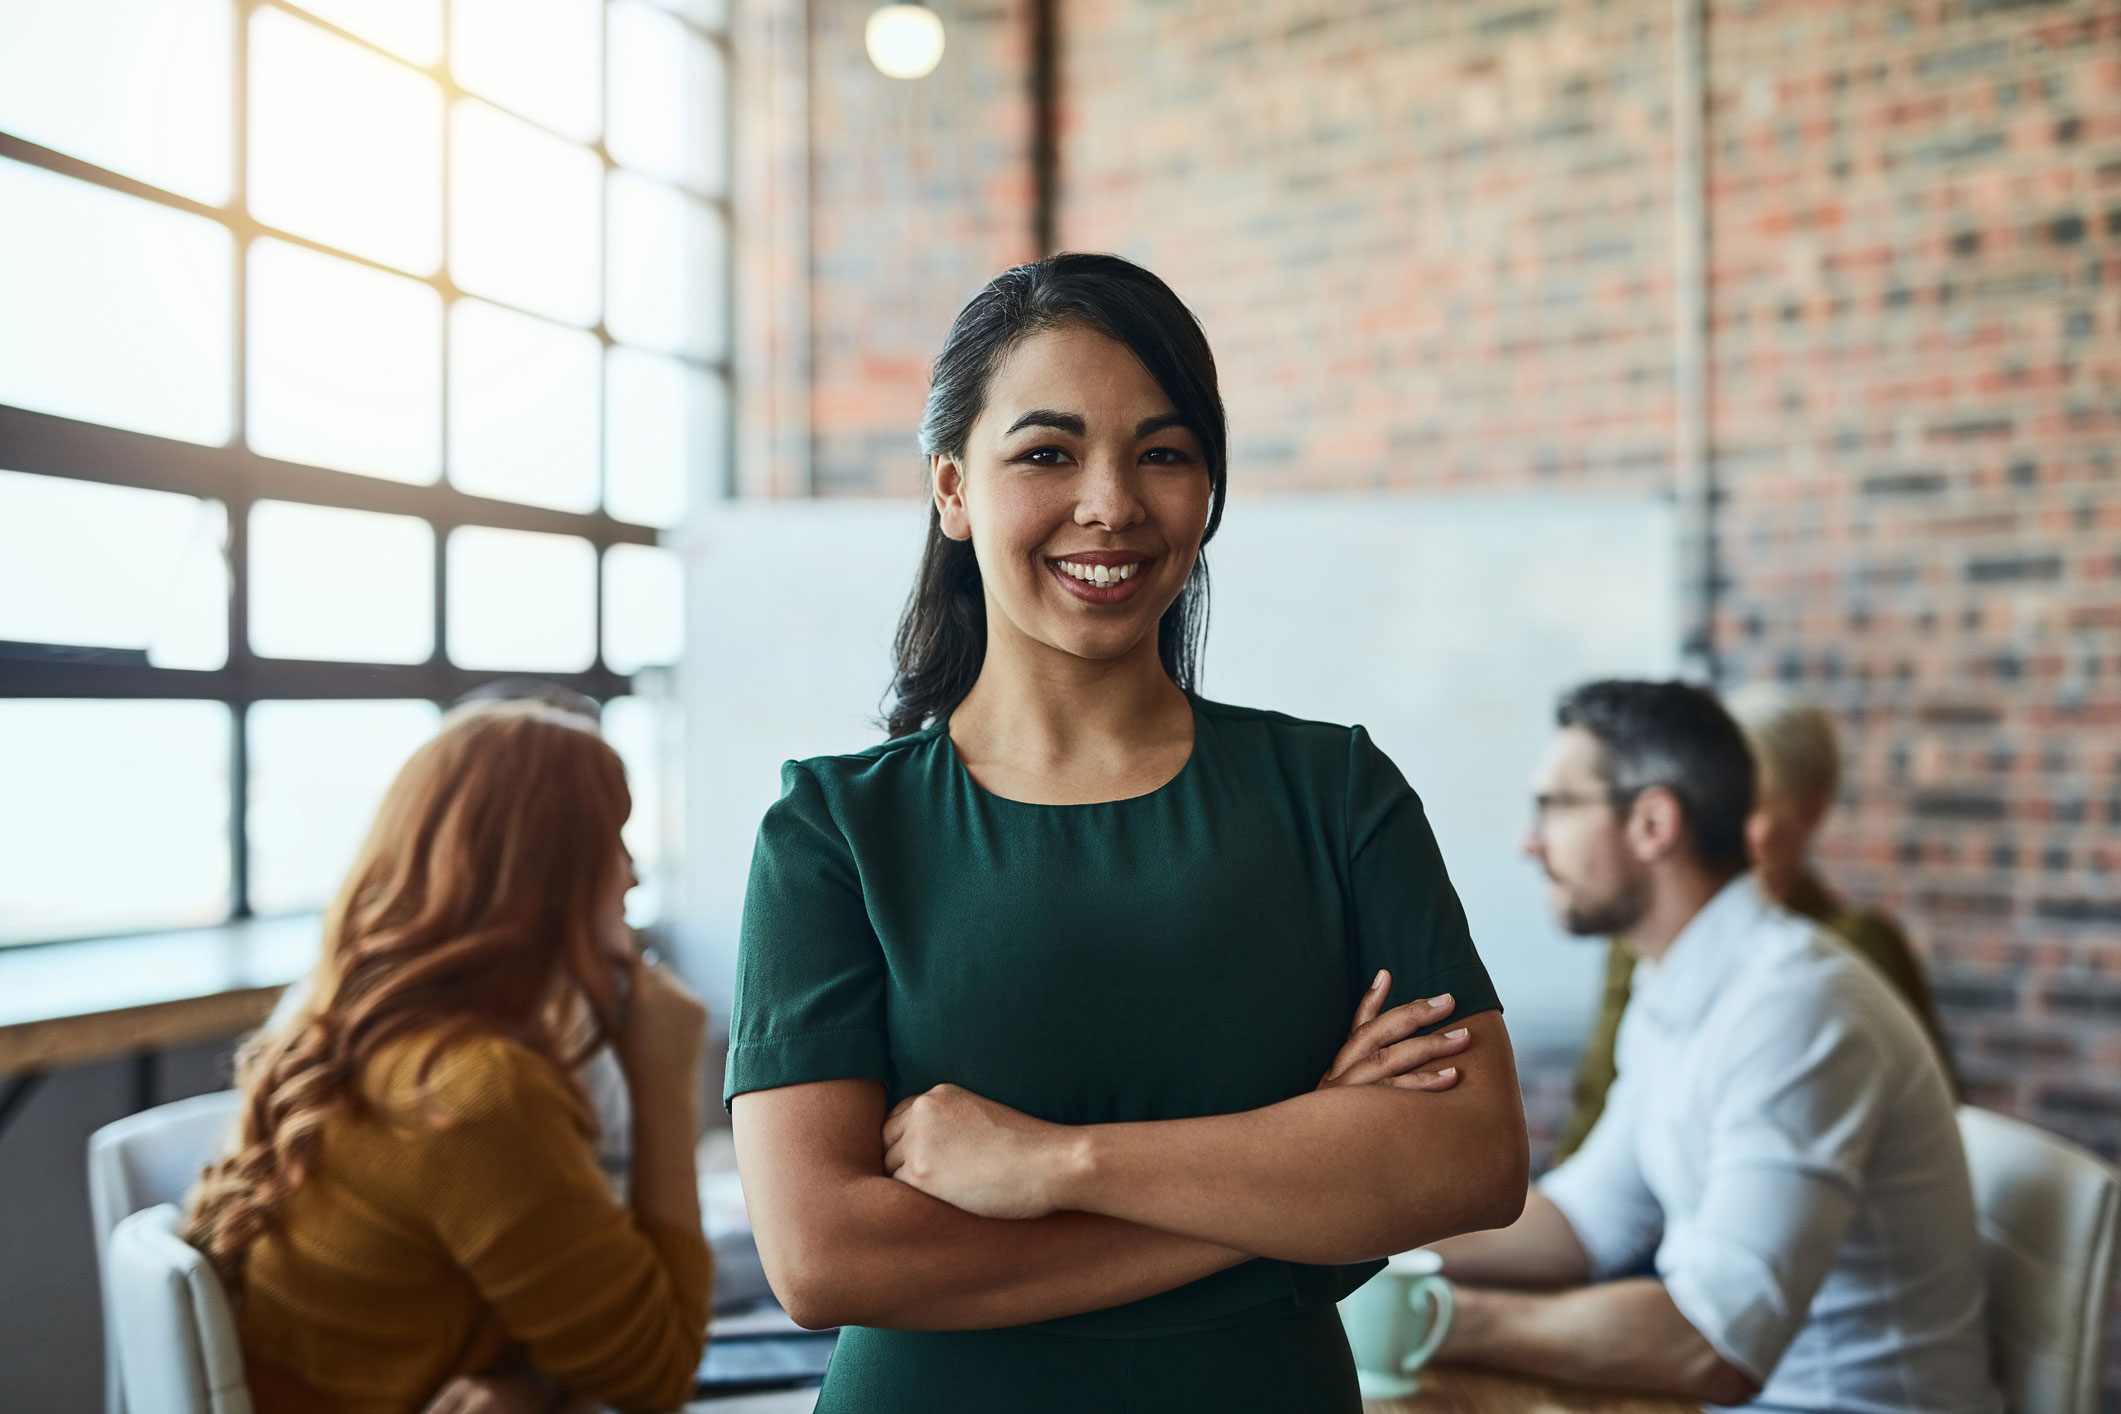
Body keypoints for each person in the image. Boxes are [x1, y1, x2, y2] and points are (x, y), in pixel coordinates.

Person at [724, 253, 1528, 1413]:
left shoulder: (1335, 790)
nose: (1111, 502)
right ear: (952, 489)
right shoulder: (836, 831)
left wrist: (1056, 1166)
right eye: (1047, 452)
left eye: (1163, 453)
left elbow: (1472, 1160)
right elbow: (826, 1259)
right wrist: (1295, 1193)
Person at [1430, 680, 1997, 1411]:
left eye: (1556, 806)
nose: (1529, 842)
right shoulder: (1674, 977)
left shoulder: (1795, 1009)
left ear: (1652, 823)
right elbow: (1583, 1222)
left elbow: (1713, 1345)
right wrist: (1359, 1262)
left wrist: (1434, 1320)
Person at [185, 700, 712, 1414]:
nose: (632, 876)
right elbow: (658, 1376)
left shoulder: (347, 1028)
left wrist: (530, 1385)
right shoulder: (476, 1092)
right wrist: (664, 1087)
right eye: (612, 842)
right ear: (542, 877)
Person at [1552, 685, 1957, 1163]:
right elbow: (1597, 1127)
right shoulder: (1651, 943)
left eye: (1750, 806)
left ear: (1811, 809)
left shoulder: (1832, 964)